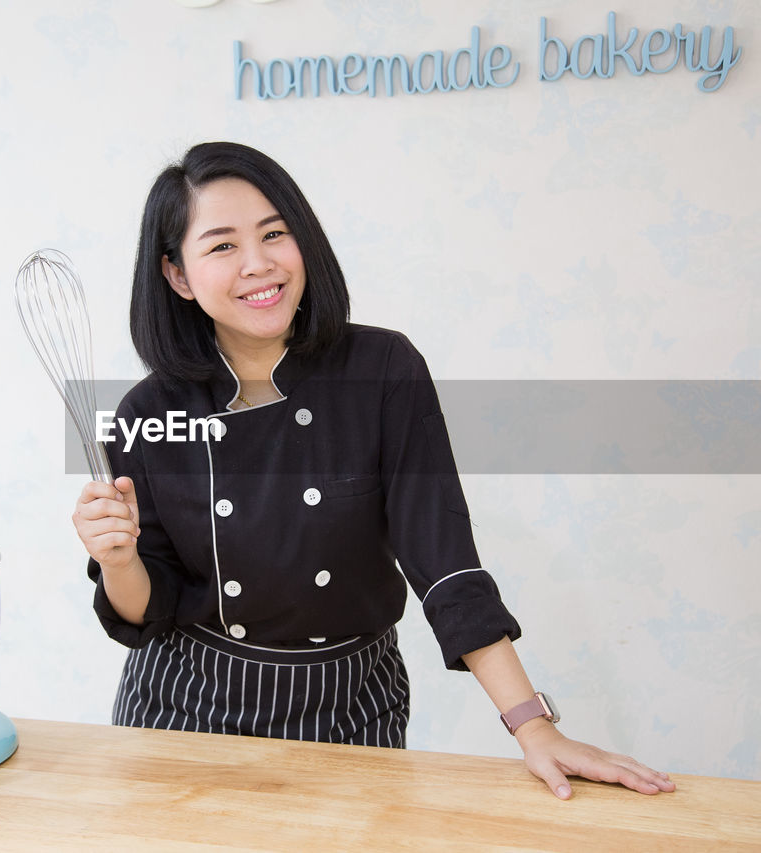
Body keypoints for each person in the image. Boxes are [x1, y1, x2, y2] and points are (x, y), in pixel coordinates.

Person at [72, 141, 674, 799]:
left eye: (275, 232)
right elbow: (146, 608)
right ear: (178, 275)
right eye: (221, 245)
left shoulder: (383, 371)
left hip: (349, 706)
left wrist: (533, 724)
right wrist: (119, 557)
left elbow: (442, 558)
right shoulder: (149, 411)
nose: (259, 262)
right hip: (188, 714)